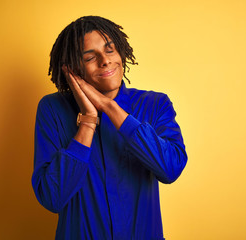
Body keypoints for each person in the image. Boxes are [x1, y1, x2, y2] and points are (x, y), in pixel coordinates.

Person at [32, 16, 187, 240]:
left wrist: (109, 108)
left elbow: (171, 169)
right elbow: (51, 197)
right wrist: (88, 120)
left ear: (121, 52)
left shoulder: (155, 104)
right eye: (90, 57)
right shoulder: (52, 109)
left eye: (110, 50)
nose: (104, 61)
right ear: (73, 69)